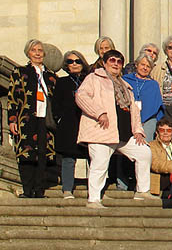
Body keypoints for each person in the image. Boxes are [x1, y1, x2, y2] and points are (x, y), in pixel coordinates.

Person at [75, 50, 156, 208]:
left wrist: (138, 130)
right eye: (112, 60)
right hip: (101, 131)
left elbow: (134, 111)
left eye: (119, 62)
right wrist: (99, 113)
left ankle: (142, 191)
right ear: (104, 63)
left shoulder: (125, 85)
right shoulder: (94, 78)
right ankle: (93, 199)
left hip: (124, 133)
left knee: (144, 153)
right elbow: (81, 96)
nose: (116, 64)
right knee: (99, 163)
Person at [7, 39, 58, 198]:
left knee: (43, 154)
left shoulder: (50, 75)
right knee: (26, 154)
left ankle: (39, 189)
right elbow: (13, 96)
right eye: (34, 50)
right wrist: (12, 119)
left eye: (40, 50)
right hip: (26, 118)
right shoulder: (20, 72)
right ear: (28, 53)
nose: (37, 53)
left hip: (46, 119)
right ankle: (28, 190)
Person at [52, 50, 89, 199]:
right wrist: (59, 118)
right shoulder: (62, 82)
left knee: (92, 156)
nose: (73, 64)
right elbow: (56, 104)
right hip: (68, 124)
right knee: (68, 157)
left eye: (77, 61)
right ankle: (67, 189)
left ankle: (94, 189)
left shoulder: (89, 80)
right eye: (70, 61)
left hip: (86, 123)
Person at [122, 53, 164, 142]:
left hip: (148, 121)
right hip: (127, 117)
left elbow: (158, 107)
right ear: (136, 65)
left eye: (148, 66)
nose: (145, 68)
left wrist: (145, 120)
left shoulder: (153, 84)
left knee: (143, 146)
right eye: (142, 64)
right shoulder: (125, 79)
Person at [149, 118, 172, 197]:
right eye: (162, 130)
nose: (165, 133)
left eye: (169, 130)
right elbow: (156, 165)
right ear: (157, 132)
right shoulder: (151, 146)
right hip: (159, 181)